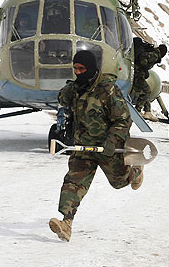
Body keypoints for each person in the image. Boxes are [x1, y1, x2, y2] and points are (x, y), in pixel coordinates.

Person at [49, 50, 142, 242]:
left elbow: (123, 120)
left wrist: (112, 142)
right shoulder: (77, 87)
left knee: (119, 182)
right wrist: (67, 91)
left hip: (109, 147)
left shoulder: (107, 90)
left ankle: (136, 173)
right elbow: (62, 100)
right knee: (74, 182)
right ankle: (66, 223)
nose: (78, 72)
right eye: (75, 68)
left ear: (91, 68)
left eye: (81, 69)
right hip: (84, 145)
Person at [129, 37, 167, 121]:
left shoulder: (153, 53)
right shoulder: (155, 55)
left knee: (147, 91)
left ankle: (147, 111)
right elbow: (143, 58)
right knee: (147, 91)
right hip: (138, 74)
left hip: (137, 73)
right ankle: (138, 110)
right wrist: (145, 68)